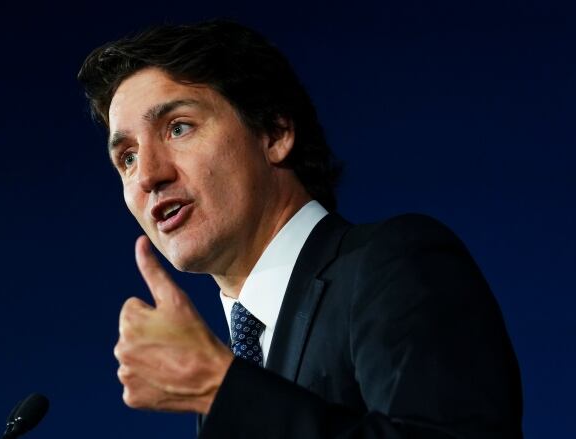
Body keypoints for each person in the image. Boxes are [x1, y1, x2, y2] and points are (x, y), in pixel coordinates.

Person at [77, 20, 523, 438]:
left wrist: (219, 388)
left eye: (178, 127)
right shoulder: (228, 366)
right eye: (127, 157)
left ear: (274, 132)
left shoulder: (395, 263)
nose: (148, 175)